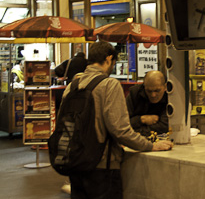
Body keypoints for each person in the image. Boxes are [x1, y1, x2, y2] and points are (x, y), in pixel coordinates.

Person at [60, 41, 173, 198]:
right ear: (108, 59)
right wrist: (149, 146)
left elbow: (63, 124)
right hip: (101, 167)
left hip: (75, 163)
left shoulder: (72, 86)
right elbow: (120, 130)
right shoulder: (109, 85)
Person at [126, 70, 169, 137]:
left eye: (157, 91)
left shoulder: (170, 97)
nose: (153, 95)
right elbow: (124, 123)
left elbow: (164, 127)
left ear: (165, 87)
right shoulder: (134, 94)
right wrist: (141, 119)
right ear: (144, 86)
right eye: (149, 91)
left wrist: (137, 129)